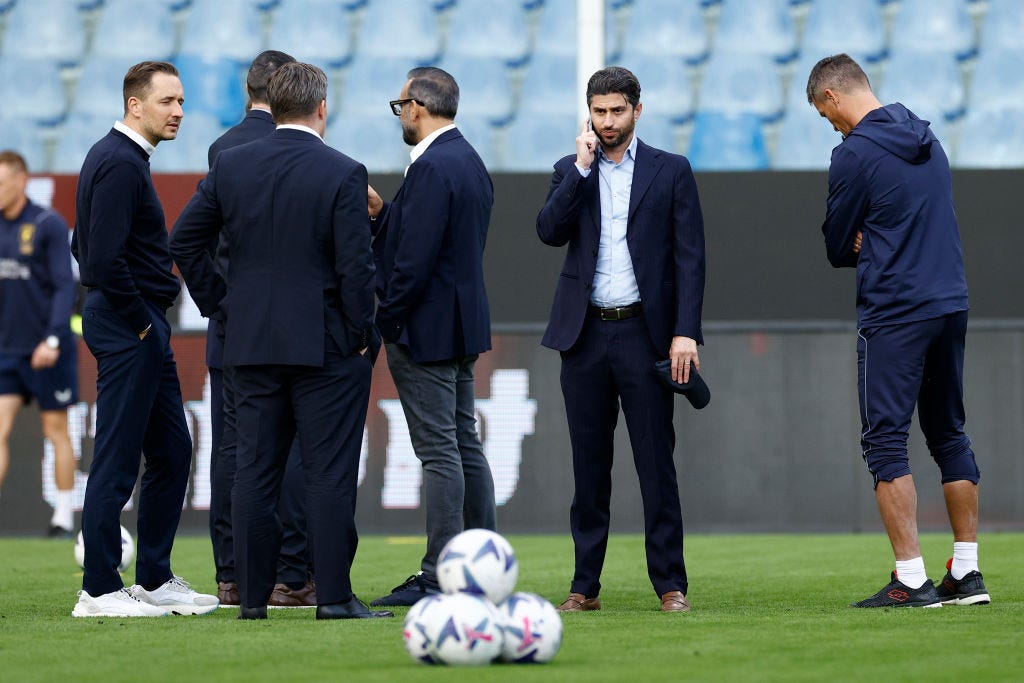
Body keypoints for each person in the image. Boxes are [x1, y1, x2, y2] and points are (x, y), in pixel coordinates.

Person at [170, 62, 390, 620]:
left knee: (254, 473)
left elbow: (185, 241)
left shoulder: (232, 164)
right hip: (326, 349)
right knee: (328, 473)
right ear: (321, 108)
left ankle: (250, 603)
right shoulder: (342, 170)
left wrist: (224, 306)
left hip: (251, 344)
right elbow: (355, 267)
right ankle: (333, 600)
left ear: (268, 102)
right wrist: (363, 332)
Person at [807, 54, 988, 608]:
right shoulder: (927, 136)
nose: (830, 124)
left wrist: (869, 237)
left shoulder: (853, 155)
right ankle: (967, 572)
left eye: (823, 113)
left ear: (834, 98)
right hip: (949, 301)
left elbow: (838, 245)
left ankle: (911, 579)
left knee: (886, 442)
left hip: (895, 311)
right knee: (948, 432)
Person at [536, 66, 706, 613]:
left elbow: (691, 259)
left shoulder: (672, 170)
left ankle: (670, 585)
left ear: (637, 109)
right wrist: (582, 170)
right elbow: (548, 230)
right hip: (584, 337)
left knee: (656, 465)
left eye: (616, 111)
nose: (607, 121)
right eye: (599, 111)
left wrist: (685, 333)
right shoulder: (571, 168)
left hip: (645, 336)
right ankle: (584, 587)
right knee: (589, 468)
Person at [71, 61, 217, 617]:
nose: (178, 111)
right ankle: (101, 588)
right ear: (136, 104)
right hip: (130, 322)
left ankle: (154, 577)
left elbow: (89, 245)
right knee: (117, 452)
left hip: (138, 321)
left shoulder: (124, 159)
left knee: (172, 449)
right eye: (167, 101)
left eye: (181, 101)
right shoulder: (118, 162)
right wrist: (139, 319)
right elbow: (101, 259)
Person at [367, 66, 496, 607]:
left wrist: (386, 321)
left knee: (440, 451)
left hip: (424, 331)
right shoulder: (468, 161)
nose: (400, 115)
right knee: (464, 444)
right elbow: (437, 241)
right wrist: (385, 214)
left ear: (417, 106)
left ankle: (440, 570)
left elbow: (414, 263)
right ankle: (484, 561)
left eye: (400, 106)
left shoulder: (430, 167)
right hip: (462, 325)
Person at [204, 49, 315, 610]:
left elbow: (195, 240)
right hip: (294, 328)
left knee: (233, 452)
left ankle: (232, 575)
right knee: (292, 447)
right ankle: (291, 574)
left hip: (232, 326)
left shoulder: (223, 148)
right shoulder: (308, 152)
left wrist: (216, 301)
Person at [0, 150, 78, 538]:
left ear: (21, 180)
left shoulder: (47, 224)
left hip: (49, 348)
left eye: (1, 182)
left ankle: (63, 515)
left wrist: (51, 338)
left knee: (56, 429)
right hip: (7, 349)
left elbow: (65, 285)